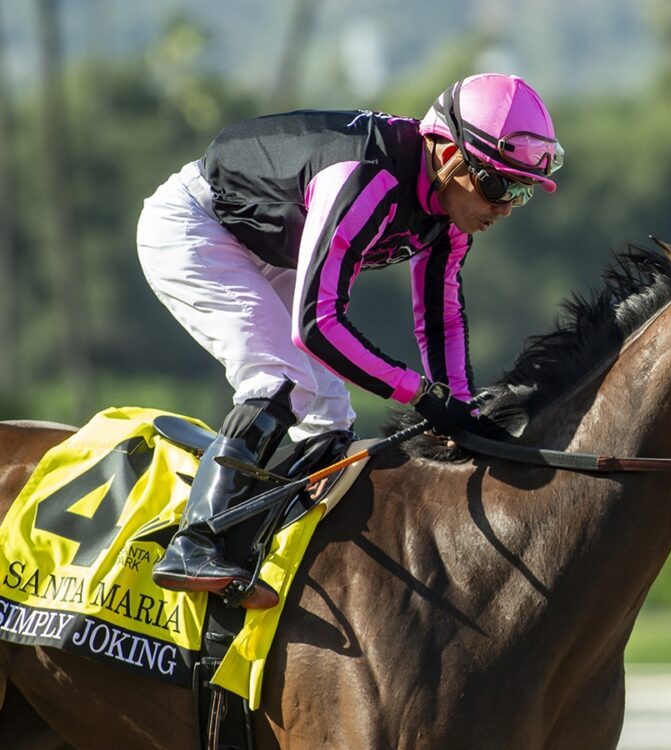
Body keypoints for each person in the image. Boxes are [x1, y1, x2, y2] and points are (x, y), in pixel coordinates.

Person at [137, 73, 564, 608]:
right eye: (500, 186)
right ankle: (195, 541)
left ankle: (264, 551)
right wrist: (420, 395)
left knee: (332, 418)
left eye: (522, 193)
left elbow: (441, 321)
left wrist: (462, 412)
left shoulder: (451, 215)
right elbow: (316, 325)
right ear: (450, 155)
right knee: (279, 380)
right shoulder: (368, 180)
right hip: (197, 226)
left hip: (271, 247)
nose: (505, 207)